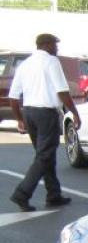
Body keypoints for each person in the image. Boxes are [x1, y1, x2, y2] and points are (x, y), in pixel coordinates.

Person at [7, 33, 80, 211]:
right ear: (46, 45)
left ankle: (53, 194)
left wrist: (19, 119)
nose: (57, 48)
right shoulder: (51, 62)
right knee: (44, 156)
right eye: (55, 44)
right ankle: (22, 194)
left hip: (30, 113)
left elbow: (13, 96)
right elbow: (62, 91)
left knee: (45, 155)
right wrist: (75, 113)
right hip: (46, 113)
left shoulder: (25, 64)